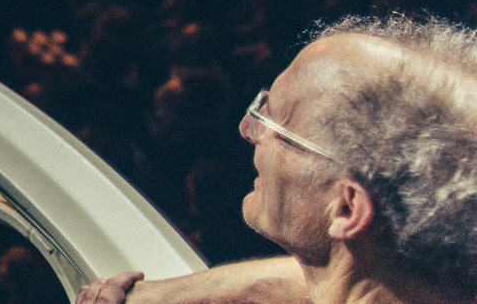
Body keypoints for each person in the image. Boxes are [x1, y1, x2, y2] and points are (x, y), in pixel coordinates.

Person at [76, 16, 477, 304]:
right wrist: (163, 296)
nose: (246, 129)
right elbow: (324, 277)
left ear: (346, 208)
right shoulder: (412, 277)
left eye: (275, 123)